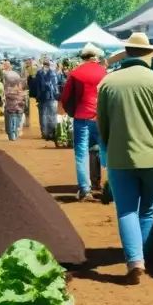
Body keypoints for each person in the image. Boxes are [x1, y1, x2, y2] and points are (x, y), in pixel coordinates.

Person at [97, 33, 153, 285]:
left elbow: (101, 125)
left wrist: (111, 147)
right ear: (147, 55)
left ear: (127, 54)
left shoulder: (108, 82)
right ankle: (141, 256)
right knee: (146, 209)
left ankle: (135, 261)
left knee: (126, 210)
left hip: (120, 157)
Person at [62, 43, 109, 200]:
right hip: (100, 117)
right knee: (105, 151)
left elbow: (66, 96)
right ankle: (111, 186)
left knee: (81, 153)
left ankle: (85, 189)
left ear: (83, 58)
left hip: (82, 117)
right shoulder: (104, 73)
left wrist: (72, 112)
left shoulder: (76, 73)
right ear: (96, 57)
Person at [32, 58, 60, 140]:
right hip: (51, 97)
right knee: (51, 115)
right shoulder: (53, 73)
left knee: (43, 115)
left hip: (42, 98)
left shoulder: (39, 73)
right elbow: (55, 86)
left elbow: (35, 86)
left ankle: (45, 133)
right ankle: (51, 133)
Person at [2, 67, 26, 141]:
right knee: (17, 122)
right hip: (18, 109)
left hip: (10, 109)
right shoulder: (20, 90)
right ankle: (15, 133)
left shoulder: (7, 90)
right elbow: (23, 99)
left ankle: (12, 134)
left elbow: (6, 97)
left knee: (10, 122)